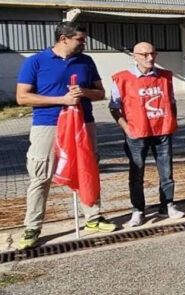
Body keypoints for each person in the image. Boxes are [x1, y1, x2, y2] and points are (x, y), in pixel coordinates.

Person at [15, 21, 116, 249]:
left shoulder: (86, 61)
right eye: (80, 39)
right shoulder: (36, 62)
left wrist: (85, 92)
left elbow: (100, 93)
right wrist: (61, 100)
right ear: (64, 38)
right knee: (41, 175)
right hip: (47, 125)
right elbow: (22, 97)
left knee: (87, 169)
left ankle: (93, 217)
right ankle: (32, 227)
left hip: (83, 123)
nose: (84, 43)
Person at [109, 42, 185, 226]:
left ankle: (167, 205)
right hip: (137, 134)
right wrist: (126, 128)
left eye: (153, 54)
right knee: (137, 174)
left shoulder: (165, 77)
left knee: (166, 172)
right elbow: (114, 107)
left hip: (162, 131)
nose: (150, 58)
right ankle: (138, 210)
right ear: (134, 57)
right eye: (144, 55)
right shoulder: (122, 79)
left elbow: (172, 101)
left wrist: (172, 120)